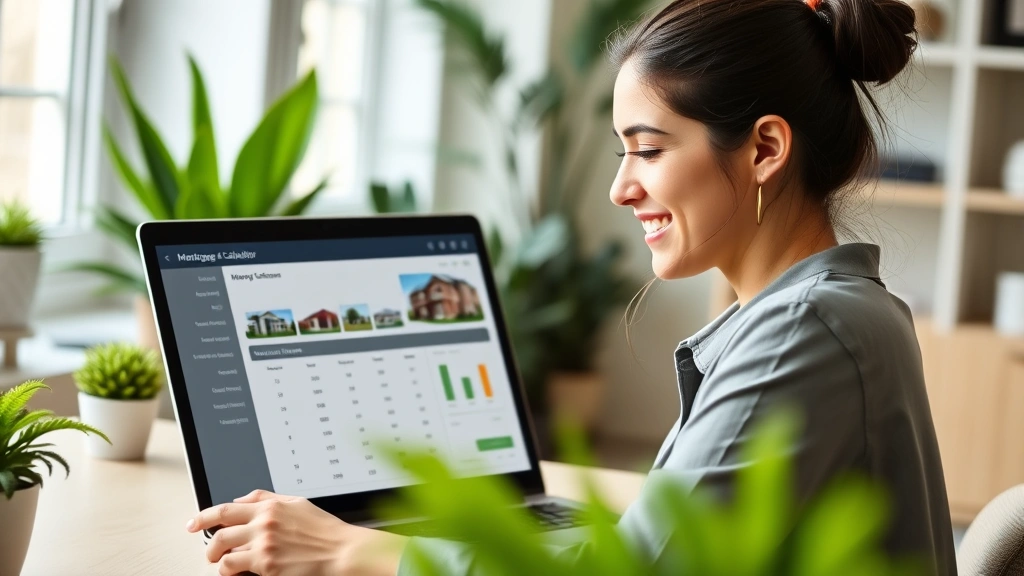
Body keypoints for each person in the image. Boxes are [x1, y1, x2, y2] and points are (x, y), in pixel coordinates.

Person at [185, 0, 958, 574]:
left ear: (764, 149)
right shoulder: (829, 312)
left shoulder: (805, 332)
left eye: (648, 150)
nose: (621, 189)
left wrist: (350, 550)